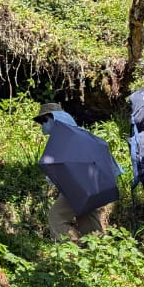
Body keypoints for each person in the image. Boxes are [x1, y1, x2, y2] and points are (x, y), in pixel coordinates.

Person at [34, 102, 112, 241]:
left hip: (78, 186)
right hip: (95, 185)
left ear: (52, 118)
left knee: (56, 217)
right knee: (87, 220)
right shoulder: (79, 134)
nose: (42, 125)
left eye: (44, 120)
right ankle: (99, 250)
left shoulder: (62, 137)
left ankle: (71, 249)